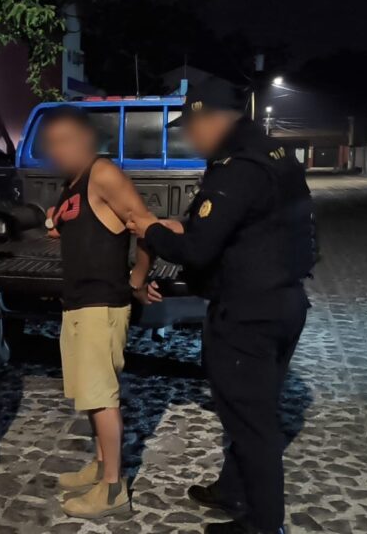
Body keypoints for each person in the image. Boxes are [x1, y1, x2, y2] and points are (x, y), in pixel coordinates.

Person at [127, 78, 315, 534]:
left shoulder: (238, 167)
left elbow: (197, 250)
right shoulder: (272, 153)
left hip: (248, 313)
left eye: (192, 128)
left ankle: (263, 525)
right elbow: (239, 226)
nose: (190, 138)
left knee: (253, 427)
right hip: (284, 302)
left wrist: (150, 229)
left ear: (212, 119)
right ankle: (232, 489)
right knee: (247, 411)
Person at [38, 105, 162, 519]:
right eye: (51, 143)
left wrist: (138, 280)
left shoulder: (103, 172)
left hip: (102, 303)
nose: (56, 150)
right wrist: (56, 223)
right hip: (76, 302)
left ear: (85, 140)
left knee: (102, 397)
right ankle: (99, 465)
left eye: (63, 141)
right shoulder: (72, 182)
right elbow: (69, 223)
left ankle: (113, 489)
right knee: (90, 396)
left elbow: (144, 225)